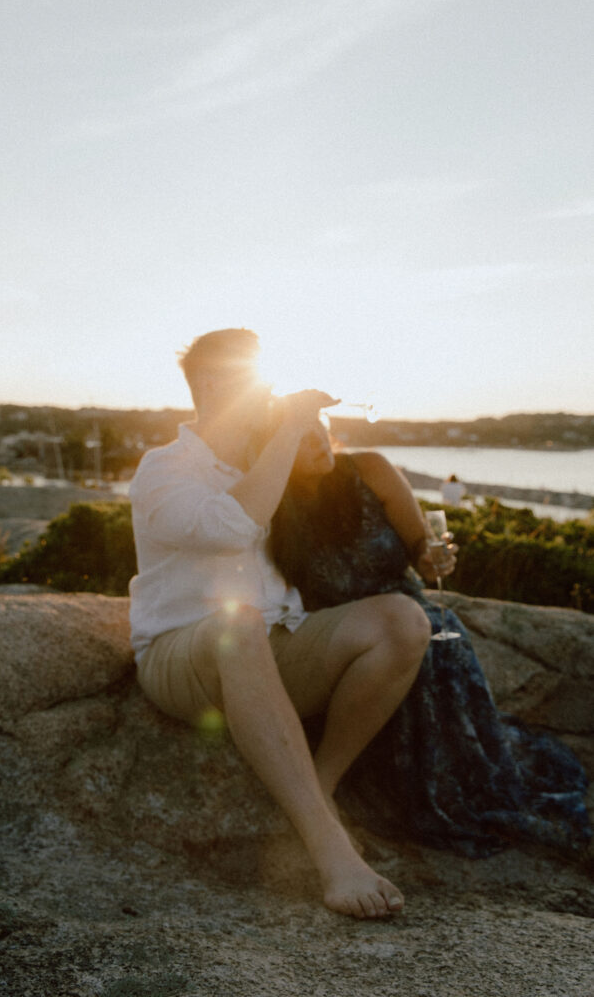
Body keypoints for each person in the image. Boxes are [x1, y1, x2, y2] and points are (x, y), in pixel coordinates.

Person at [128, 329, 432, 920]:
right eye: (256, 382)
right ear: (213, 386)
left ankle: (317, 786)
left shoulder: (269, 463)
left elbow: (344, 514)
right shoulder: (163, 470)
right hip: (180, 654)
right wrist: (290, 428)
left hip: (273, 646)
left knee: (403, 621)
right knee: (236, 624)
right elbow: (232, 526)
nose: (268, 395)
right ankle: (331, 851)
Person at [270, 421, 592, 857]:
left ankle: (439, 785)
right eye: (301, 434)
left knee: (442, 647)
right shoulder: (272, 501)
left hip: (408, 610)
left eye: (320, 430)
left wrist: (434, 557)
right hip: (343, 631)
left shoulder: (371, 469)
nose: (318, 440)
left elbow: (424, 553)